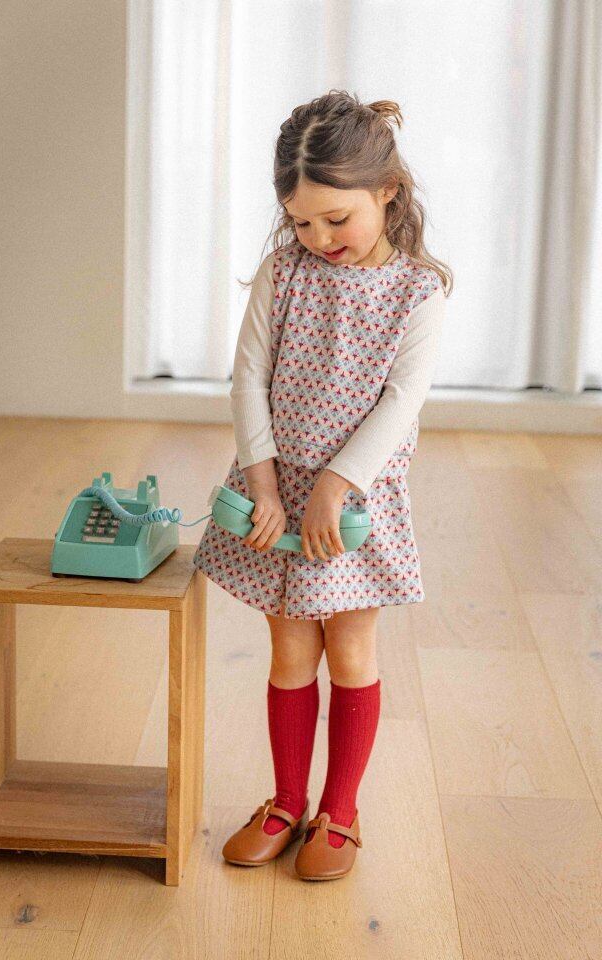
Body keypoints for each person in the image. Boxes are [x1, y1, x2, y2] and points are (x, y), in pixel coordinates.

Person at [193, 89, 453, 881]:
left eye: (336, 219)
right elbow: (248, 378)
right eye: (301, 222)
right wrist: (266, 486)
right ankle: (285, 802)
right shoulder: (284, 274)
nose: (318, 238)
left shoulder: (418, 292)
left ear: (388, 192)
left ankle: (339, 812)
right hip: (276, 486)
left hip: (356, 503)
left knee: (349, 648)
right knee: (288, 650)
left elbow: (400, 404)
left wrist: (337, 487)